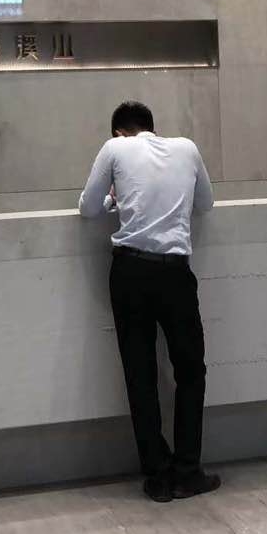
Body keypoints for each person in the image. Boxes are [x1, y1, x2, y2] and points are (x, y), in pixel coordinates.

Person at [79, 101, 219, 504]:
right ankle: (188, 471)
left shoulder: (114, 148)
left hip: (130, 272)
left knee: (140, 374)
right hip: (175, 272)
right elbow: (206, 204)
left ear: (119, 132)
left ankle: (158, 476)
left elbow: (88, 208)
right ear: (152, 128)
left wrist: (114, 200)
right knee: (191, 371)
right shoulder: (188, 148)